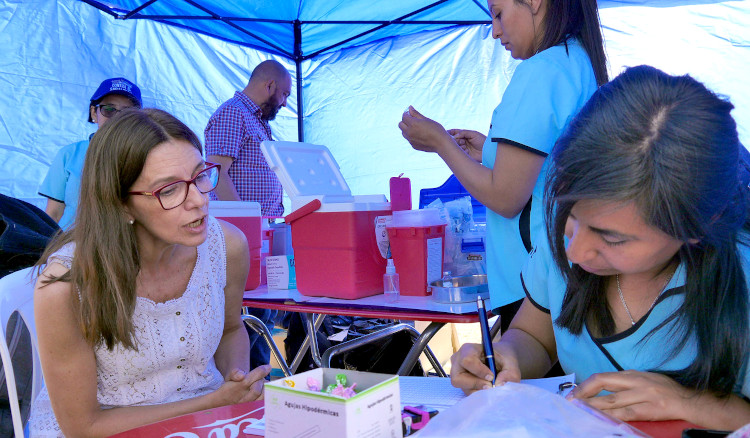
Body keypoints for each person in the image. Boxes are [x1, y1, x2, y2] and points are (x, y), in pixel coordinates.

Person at [449, 65, 750, 430]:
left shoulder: (742, 273)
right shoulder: (568, 239)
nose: (574, 253)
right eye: (570, 217)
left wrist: (694, 403)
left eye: (612, 238)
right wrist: (505, 356)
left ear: (698, 227)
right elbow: (534, 336)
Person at [29, 108, 270, 437]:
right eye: (169, 190)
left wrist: (237, 380)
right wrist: (215, 402)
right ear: (120, 204)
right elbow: (83, 427)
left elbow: (230, 329)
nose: (199, 199)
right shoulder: (66, 286)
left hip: (207, 421)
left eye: (200, 175)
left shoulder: (227, 246)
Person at [399, 0, 608, 332]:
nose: (495, 32)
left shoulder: (541, 70)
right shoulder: (578, 61)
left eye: (497, 14)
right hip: (568, 272)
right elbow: (551, 165)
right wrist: (491, 150)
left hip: (532, 281)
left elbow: (506, 197)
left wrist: (440, 143)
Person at [205, 59, 291, 369]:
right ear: (269, 86)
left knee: (262, 320)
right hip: (242, 236)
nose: (283, 103)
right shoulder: (232, 113)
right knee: (246, 320)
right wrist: (247, 227)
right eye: (283, 94)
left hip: (262, 232)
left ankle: (258, 389)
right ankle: (241, 391)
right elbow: (216, 174)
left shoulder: (256, 120)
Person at [38, 77, 142, 230]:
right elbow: (53, 214)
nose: (118, 118)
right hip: (67, 246)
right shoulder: (69, 154)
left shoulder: (145, 157)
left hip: (120, 248)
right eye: (109, 109)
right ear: (94, 112)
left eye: (128, 112)